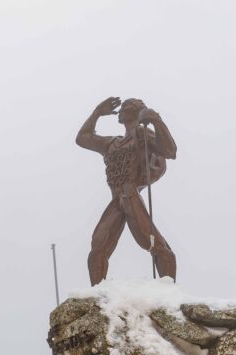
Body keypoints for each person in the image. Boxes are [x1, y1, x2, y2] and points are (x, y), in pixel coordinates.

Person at [76, 97, 177, 286]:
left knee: (154, 244)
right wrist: (97, 112)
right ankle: (98, 296)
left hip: (130, 196)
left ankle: (170, 290)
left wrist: (156, 120)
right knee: (98, 246)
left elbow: (170, 151)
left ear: (137, 112)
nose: (121, 111)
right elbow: (82, 138)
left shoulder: (143, 135)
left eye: (126, 107)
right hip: (116, 200)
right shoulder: (112, 143)